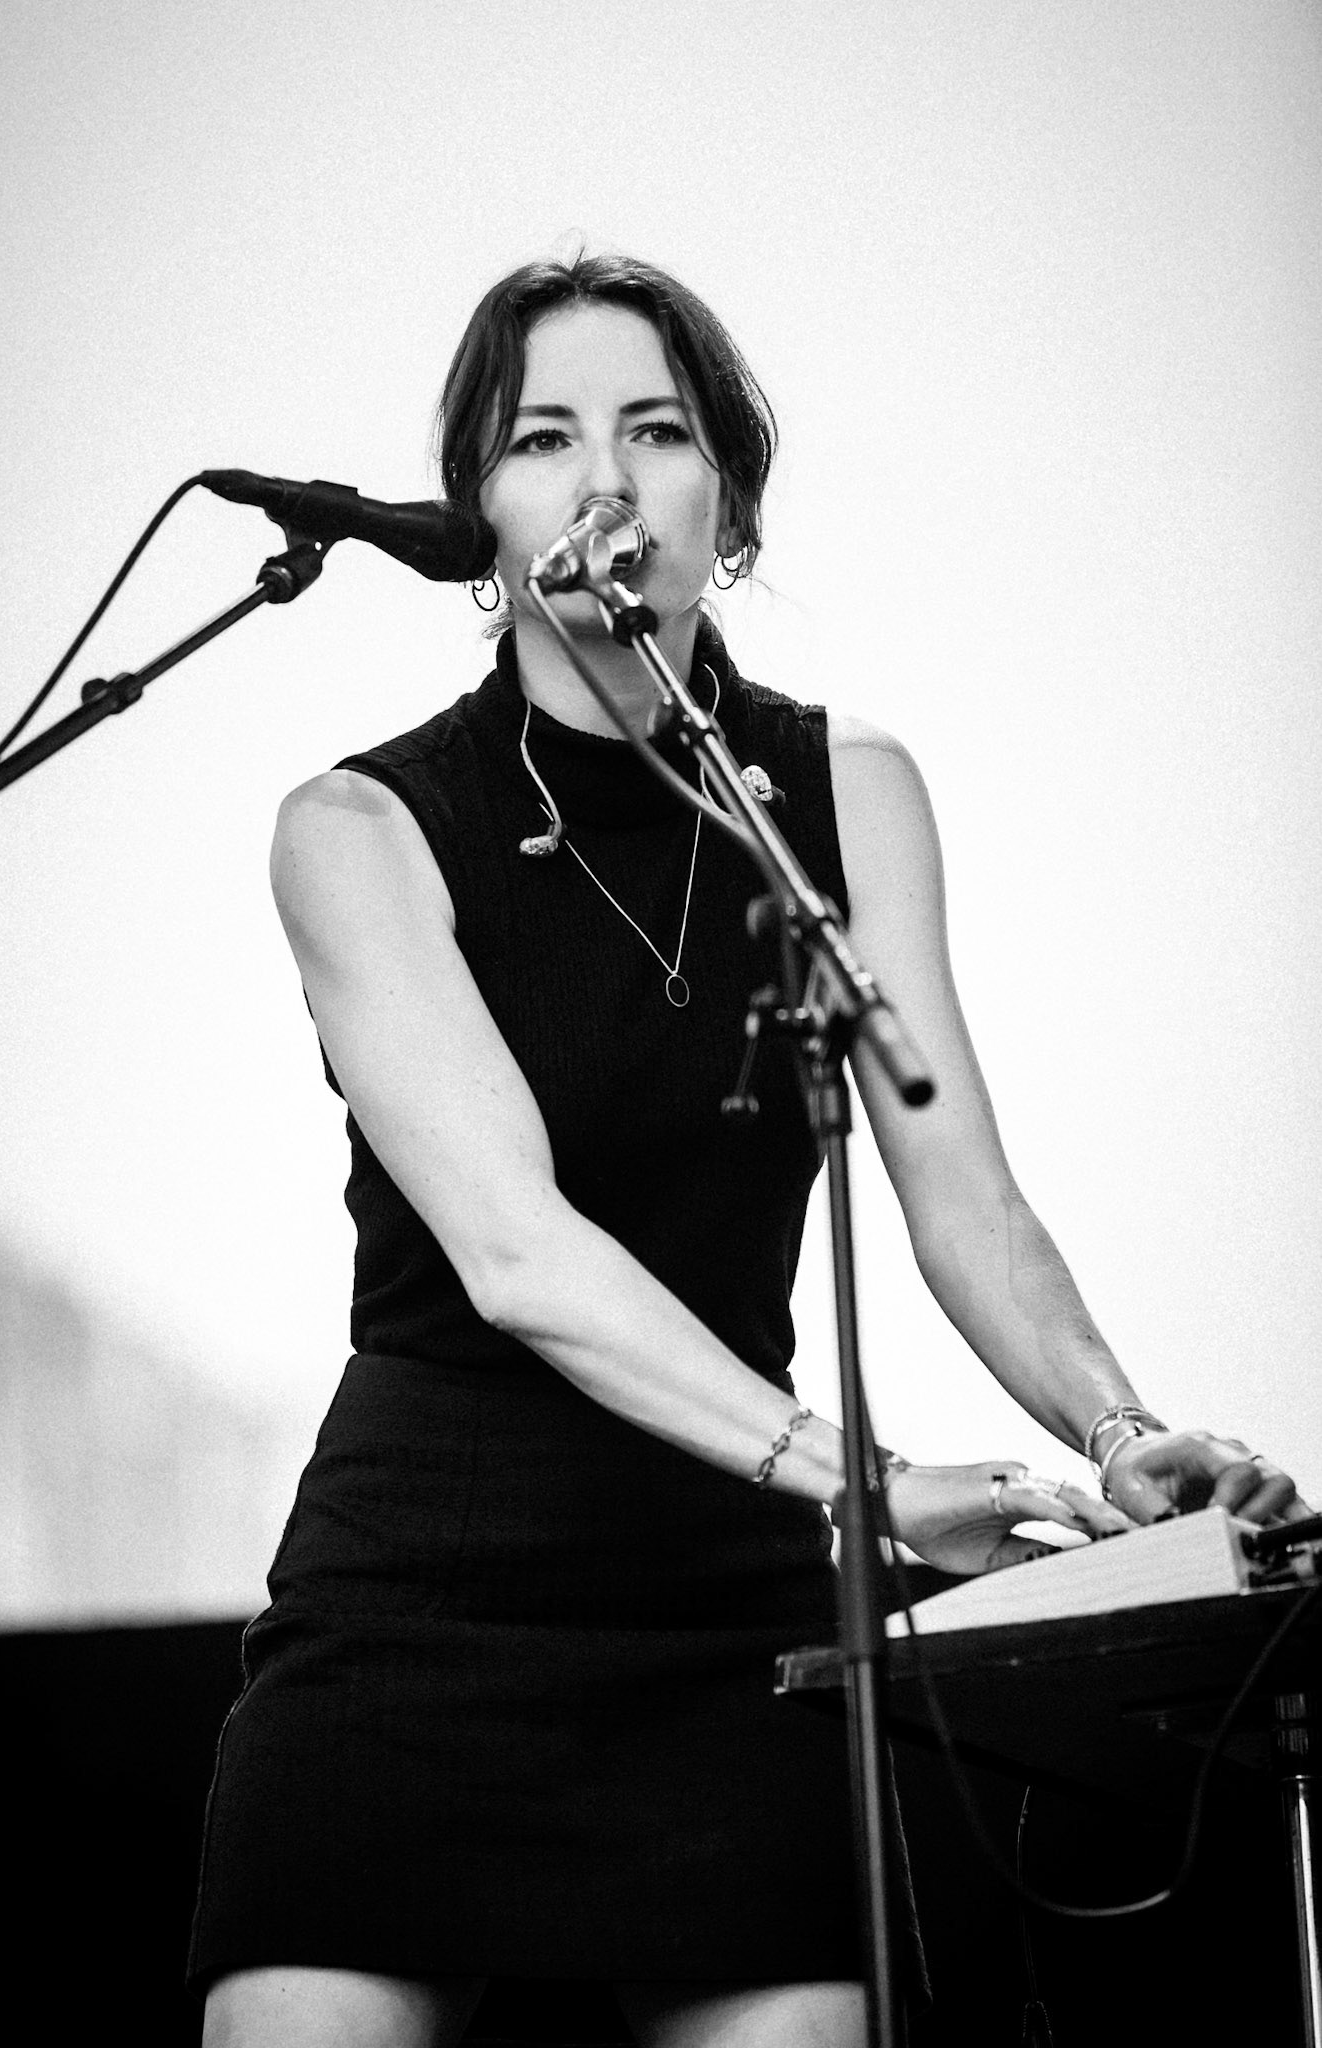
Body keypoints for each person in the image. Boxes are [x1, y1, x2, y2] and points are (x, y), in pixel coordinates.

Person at [190, 254, 1306, 2048]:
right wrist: (865, 1482)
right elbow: (519, 1258)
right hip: (420, 1597)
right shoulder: (361, 825)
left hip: (725, 1601)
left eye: (654, 432)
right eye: (542, 440)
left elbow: (964, 1196)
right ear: (481, 517)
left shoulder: (842, 788)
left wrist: (1117, 1433)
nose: (603, 481)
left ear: (730, 502)